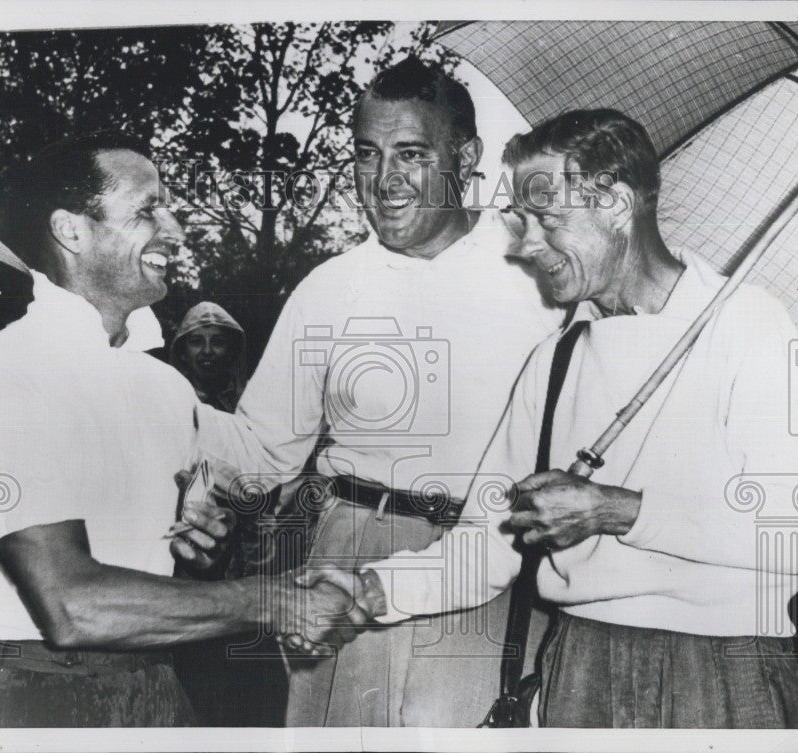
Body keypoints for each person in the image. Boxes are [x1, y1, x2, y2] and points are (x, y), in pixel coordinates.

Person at [331, 109, 798, 728]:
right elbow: (487, 545)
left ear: (616, 203)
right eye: (520, 221)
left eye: (546, 219)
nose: (525, 245)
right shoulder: (556, 359)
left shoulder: (751, 324)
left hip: (723, 671)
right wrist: (368, 591)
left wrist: (614, 508)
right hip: (580, 665)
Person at [0, 132, 365, 728]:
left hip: (158, 687)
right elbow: (73, 605)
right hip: (26, 698)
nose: (176, 229)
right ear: (72, 231)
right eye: (147, 210)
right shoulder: (4, 375)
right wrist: (271, 600)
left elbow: (261, 465)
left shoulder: (162, 386)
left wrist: (200, 549)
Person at [196, 56, 564, 726]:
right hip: (349, 549)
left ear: (467, 156)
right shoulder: (328, 287)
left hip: (494, 563)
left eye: (411, 154)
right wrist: (196, 473)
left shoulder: (541, 272)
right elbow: (260, 451)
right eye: (368, 154)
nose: (385, 180)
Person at [168, 301, 288, 725]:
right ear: (181, 352)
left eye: (217, 342)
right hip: (189, 560)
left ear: (233, 350)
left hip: (251, 561)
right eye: (195, 343)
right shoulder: (168, 401)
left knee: (256, 688)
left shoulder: (253, 409)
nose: (205, 352)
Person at [170, 302, 247, 412]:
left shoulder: (249, 399)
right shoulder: (171, 400)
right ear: (183, 353)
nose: (207, 351)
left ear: (231, 351)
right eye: (196, 342)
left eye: (217, 342)